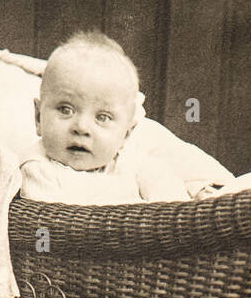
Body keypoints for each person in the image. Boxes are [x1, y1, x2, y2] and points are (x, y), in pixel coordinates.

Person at [19, 30, 237, 203]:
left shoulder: (133, 162)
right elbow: (59, 226)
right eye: (66, 109)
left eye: (102, 117)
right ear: (38, 117)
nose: (81, 127)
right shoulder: (37, 167)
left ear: (126, 133)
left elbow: (173, 206)